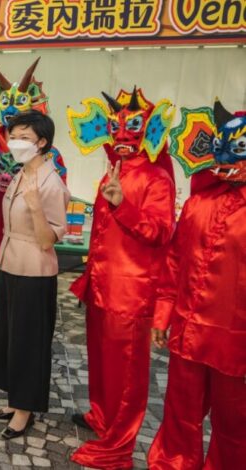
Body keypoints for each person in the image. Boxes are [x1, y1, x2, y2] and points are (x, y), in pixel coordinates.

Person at [67, 88, 176, 468]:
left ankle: (118, 446)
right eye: (118, 128)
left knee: (127, 373)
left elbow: (161, 232)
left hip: (131, 293)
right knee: (100, 361)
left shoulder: (157, 177)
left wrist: (122, 206)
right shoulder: (114, 172)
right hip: (102, 286)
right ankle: (102, 416)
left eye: (133, 127)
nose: (123, 136)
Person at [148, 101, 246, 468]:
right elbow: (174, 263)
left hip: (235, 345)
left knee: (234, 427)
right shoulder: (197, 204)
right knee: (179, 417)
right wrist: (162, 314)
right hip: (187, 335)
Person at [0, 58, 67, 381]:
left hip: (30, 248)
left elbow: (56, 212)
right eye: (6, 103)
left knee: (23, 318)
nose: (11, 112)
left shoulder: (48, 161)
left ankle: (17, 380)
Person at [0, 110, 69, 439]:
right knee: (9, 337)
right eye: (13, 136)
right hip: (10, 264)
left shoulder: (50, 182)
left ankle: (25, 409)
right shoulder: (23, 172)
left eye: (24, 137)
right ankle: (14, 397)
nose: (16, 143)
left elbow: (49, 239)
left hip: (34, 271)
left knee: (28, 342)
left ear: (42, 142)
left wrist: (36, 207)